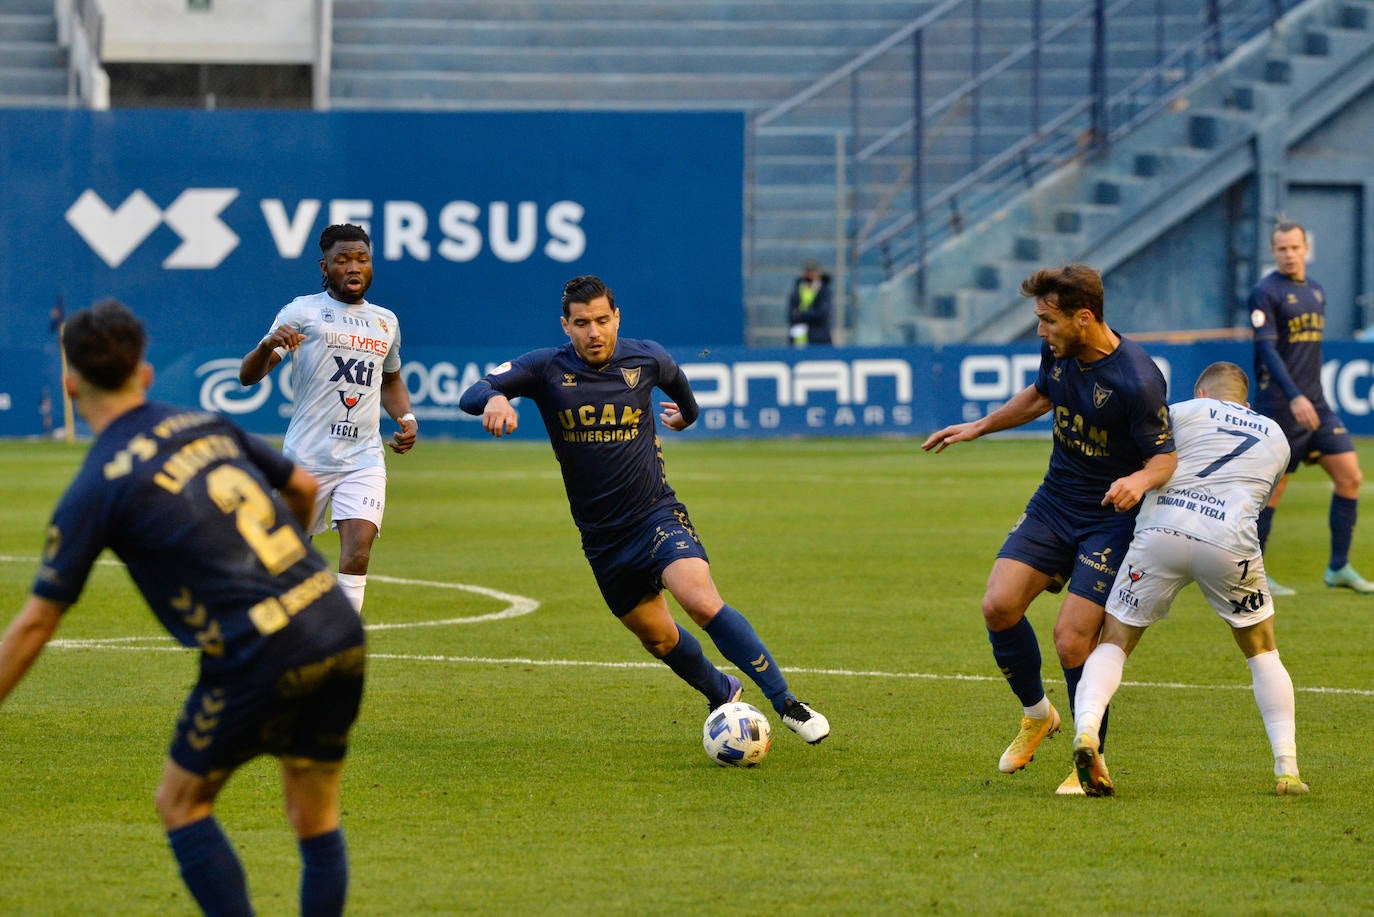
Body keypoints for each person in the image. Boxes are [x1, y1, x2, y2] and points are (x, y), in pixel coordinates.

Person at [0, 300, 366, 915]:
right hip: (335, 625)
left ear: (70, 383)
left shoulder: (96, 486)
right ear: (144, 373)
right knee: (314, 814)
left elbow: (38, 620)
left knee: (182, 803)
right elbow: (301, 487)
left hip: (259, 649)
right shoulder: (205, 423)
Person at [458, 275, 830, 743]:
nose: (593, 332)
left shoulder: (646, 357)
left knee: (698, 600)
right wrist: (494, 397)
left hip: (655, 514)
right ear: (566, 326)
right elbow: (471, 392)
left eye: (601, 320)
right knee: (658, 639)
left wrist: (686, 415)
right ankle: (722, 693)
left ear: (616, 318)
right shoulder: (544, 368)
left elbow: (679, 383)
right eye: (581, 324)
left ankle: (787, 702)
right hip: (602, 539)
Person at [921, 263, 1177, 795]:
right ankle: (1038, 714)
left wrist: (1137, 479)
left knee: (1071, 640)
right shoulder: (1059, 353)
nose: (1040, 331)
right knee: (998, 605)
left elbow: (1165, 460)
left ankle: (1090, 759)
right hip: (1054, 502)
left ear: (1083, 318)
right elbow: (1041, 395)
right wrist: (980, 427)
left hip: (1109, 519)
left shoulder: (1137, 379)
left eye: (1047, 320)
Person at [1072, 362, 1308, 797]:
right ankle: (1287, 768)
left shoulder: (1179, 412)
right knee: (1262, 651)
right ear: (1247, 402)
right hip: (1229, 543)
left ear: (1201, 393)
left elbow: (1147, 457)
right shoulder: (1276, 434)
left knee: (1116, 640)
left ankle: (1087, 731)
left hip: (1163, 531)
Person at [239, 223, 418, 614]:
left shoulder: (385, 322)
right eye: (343, 260)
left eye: (362, 259)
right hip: (306, 459)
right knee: (284, 559)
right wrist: (267, 343)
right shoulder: (302, 312)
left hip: (363, 459)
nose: (354, 267)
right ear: (325, 267)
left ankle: (343, 643)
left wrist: (405, 416)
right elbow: (248, 376)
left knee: (357, 555)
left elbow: (391, 381)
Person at [1249, 220, 1372, 595]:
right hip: (1280, 405)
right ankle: (1254, 574)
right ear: (1274, 251)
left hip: (1316, 402)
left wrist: (1308, 395)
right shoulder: (1265, 292)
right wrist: (1294, 395)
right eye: (1282, 249)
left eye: (1294, 248)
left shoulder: (1316, 291)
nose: (1289, 254)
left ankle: (1338, 568)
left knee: (1350, 476)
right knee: (1274, 488)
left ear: (1306, 249)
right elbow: (1267, 350)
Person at [787, 259, 833, 346]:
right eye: (807, 272)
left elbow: (822, 314)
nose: (809, 275)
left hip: (819, 339)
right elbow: (791, 315)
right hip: (798, 338)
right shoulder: (797, 290)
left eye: (812, 272)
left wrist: (801, 314)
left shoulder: (824, 291)